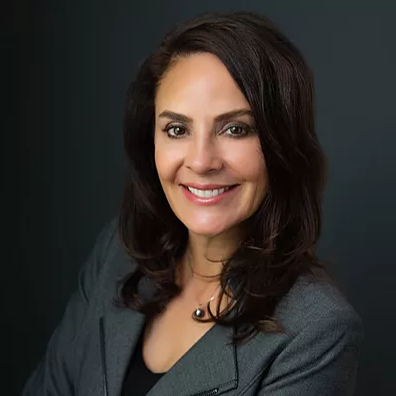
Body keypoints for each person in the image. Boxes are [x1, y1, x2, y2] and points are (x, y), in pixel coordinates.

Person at [22, 10, 363, 396]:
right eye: (177, 129)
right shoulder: (116, 253)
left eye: (235, 129)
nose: (201, 161)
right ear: (150, 141)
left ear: (280, 146)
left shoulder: (318, 330)